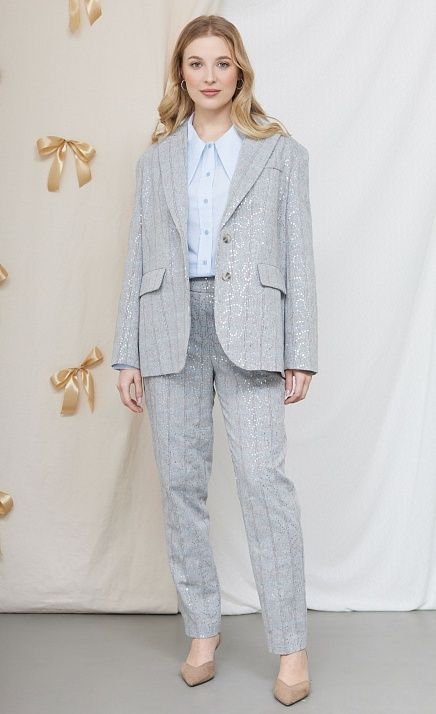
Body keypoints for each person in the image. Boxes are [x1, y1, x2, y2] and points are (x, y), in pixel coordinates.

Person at [111, 14, 318, 707]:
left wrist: (301, 350)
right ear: (181, 73)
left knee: (264, 483)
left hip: (253, 329)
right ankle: (202, 630)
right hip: (169, 328)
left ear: (239, 71)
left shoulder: (279, 154)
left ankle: (291, 644)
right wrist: (128, 352)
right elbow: (138, 258)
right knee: (181, 488)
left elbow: (299, 257)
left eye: (221, 63)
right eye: (196, 63)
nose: (209, 76)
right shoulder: (155, 161)